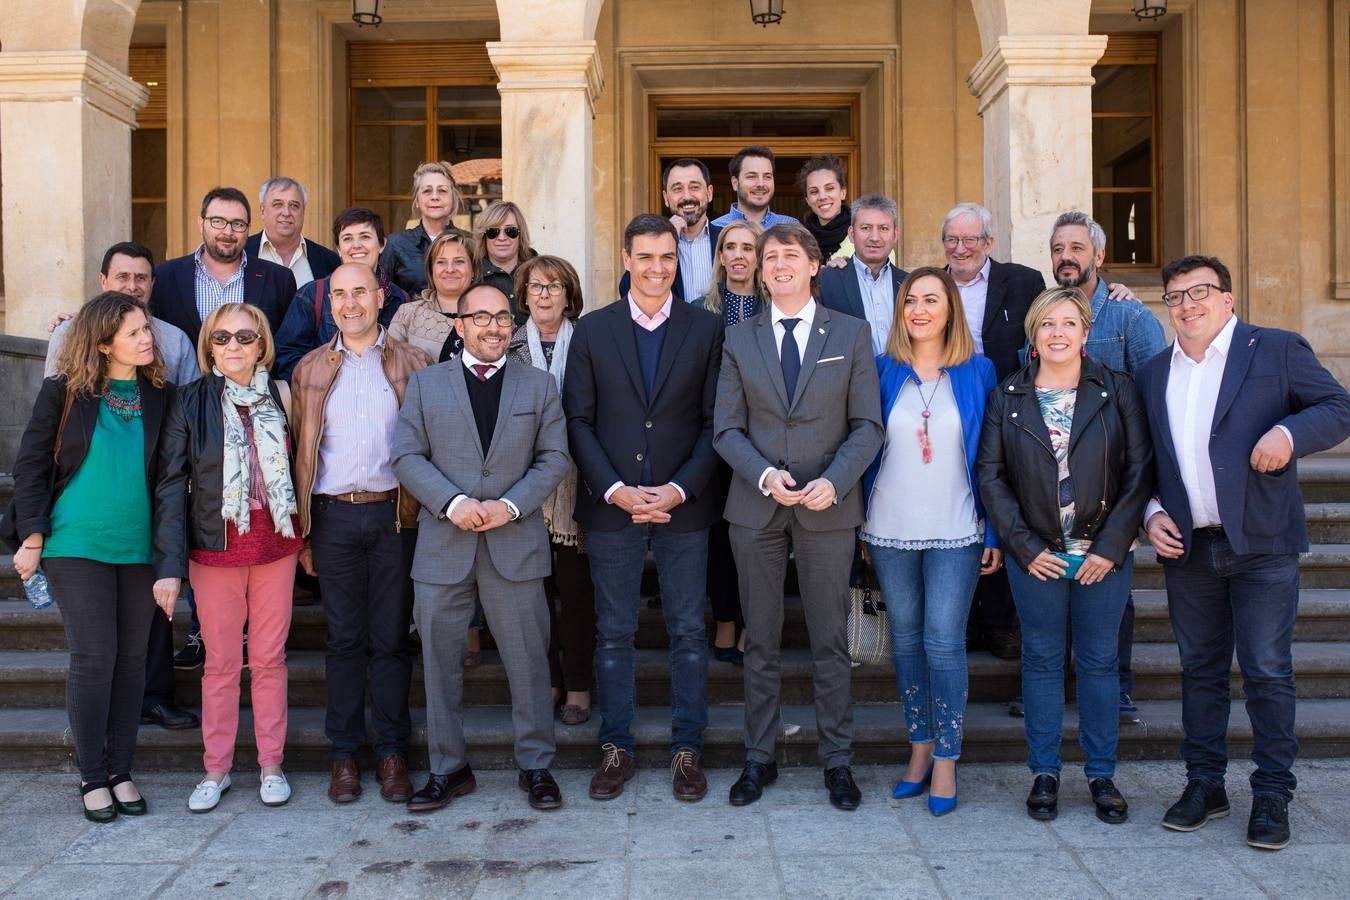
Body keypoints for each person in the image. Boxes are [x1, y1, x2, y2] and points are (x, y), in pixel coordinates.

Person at [1140, 255, 1350, 851]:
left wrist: (1288, 435)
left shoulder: (1275, 348)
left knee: (1265, 669)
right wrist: (1152, 514)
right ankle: (1205, 783)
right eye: (1175, 296)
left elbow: (1339, 407)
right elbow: (1148, 462)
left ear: (1227, 299)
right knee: (1200, 671)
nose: (1187, 305)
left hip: (1261, 543)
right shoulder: (1156, 373)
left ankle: (1272, 792)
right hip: (1189, 547)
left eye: (1199, 292)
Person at [713, 222, 883, 809]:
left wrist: (833, 482)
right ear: (759, 271)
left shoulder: (853, 334)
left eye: (790, 255)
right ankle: (758, 757)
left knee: (830, 641)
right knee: (759, 640)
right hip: (756, 506)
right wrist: (763, 474)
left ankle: (838, 760)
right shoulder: (739, 338)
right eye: (769, 257)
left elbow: (868, 427)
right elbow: (726, 429)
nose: (779, 264)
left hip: (827, 508)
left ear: (814, 266)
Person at [564, 214, 726, 803]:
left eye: (667, 257)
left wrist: (679, 488)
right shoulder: (592, 331)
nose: (658, 268)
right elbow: (577, 420)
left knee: (688, 630)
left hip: (684, 506)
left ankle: (688, 749)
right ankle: (617, 747)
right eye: (646, 257)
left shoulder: (706, 330)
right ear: (626, 260)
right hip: (613, 507)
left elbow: (715, 422)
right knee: (613, 633)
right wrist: (614, 489)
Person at [976, 286, 1153, 825]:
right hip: (1038, 557)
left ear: (1084, 332)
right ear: (1034, 333)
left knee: (1100, 665)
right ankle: (1045, 774)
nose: (1057, 333)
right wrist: (1024, 548)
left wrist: (1112, 545)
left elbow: (1139, 470)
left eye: (1068, 323)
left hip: (1102, 555)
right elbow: (991, 476)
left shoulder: (1116, 388)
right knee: (1044, 661)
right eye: (1046, 324)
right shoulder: (1008, 396)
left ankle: (1101, 774)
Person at [391, 283, 570, 813]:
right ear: (459, 325)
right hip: (444, 545)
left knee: (529, 663)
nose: (493, 326)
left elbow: (554, 458)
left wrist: (509, 506)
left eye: (502, 317)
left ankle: (536, 766)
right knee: (439, 666)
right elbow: (405, 455)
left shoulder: (538, 386)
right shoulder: (426, 385)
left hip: (514, 542)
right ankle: (448, 769)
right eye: (481, 317)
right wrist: (451, 502)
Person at [11, 292, 182, 823]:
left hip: (137, 549)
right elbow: (31, 465)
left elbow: (171, 479)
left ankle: (120, 770)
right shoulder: (64, 392)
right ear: (104, 343)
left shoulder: (163, 395)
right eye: (133, 332)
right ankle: (91, 775)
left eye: (146, 329)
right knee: (94, 657)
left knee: (133, 662)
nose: (146, 338)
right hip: (74, 543)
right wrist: (32, 534)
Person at [859, 267, 1001, 817]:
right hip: (889, 527)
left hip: (957, 528)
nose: (919, 309)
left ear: (951, 310)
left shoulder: (979, 371)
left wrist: (992, 527)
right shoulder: (881, 369)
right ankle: (918, 747)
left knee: (943, 642)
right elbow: (866, 446)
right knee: (908, 641)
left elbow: (994, 458)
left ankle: (947, 755)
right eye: (910, 300)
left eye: (931, 299)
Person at [291, 262, 431, 804]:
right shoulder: (308, 369)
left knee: (392, 641)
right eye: (340, 295)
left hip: (396, 516)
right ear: (329, 304)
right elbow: (299, 454)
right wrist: (303, 534)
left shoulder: (414, 363)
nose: (350, 304)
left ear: (380, 296)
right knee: (344, 641)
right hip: (332, 517)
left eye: (360, 293)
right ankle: (345, 755)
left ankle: (393, 753)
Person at [161, 303, 304, 813]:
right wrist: (170, 565)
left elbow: (303, 466)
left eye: (245, 337)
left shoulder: (283, 396)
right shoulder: (190, 400)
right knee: (221, 664)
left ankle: (271, 765)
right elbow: (172, 485)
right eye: (221, 339)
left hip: (276, 544)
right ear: (208, 346)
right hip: (213, 549)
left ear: (262, 343)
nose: (234, 347)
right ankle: (216, 770)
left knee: (268, 660)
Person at [1049, 210, 1167, 725]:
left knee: (1111, 583)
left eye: (1077, 248)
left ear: (1098, 255)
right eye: (1058, 249)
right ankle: (1056, 684)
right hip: (1053, 478)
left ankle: (1116, 686)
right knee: (1057, 580)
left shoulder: (1130, 317)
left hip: (1114, 478)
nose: (1066, 257)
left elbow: (1156, 397)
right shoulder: (1048, 311)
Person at [505, 255, 595, 725]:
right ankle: (548, 681)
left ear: (569, 295)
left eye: (554, 286)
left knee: (576, 593)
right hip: (521, 488)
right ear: (522, 295)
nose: (544, 294)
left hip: (581, 486)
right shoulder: (507, 344)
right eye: (535, 287)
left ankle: (578, 684)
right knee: (531, 597)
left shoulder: (592, 341)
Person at [697, 220, 765, 662]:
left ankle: (755, 624)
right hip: (713, 435)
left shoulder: (776, 306)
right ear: (719, 256)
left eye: (748, 247)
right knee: (718, 535)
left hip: (764, 438)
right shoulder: (698, 310)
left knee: (756, 538)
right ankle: (725, 619)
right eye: (730, 247)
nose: (739, 255)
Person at [273, 207, 413, 380]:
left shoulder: (401, 299)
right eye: (347, 238)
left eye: (365, 237)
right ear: (338, 249)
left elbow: (407, 359)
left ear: (382, 244)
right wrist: (327, 381)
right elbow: (286, 355)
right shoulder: (312, 295)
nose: (356, 245)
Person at [149, 186, 297, 341]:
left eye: (238, 224)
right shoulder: (164, 277)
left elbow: (288, 346)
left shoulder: (279, 279)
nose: (228, 232)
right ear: (201, 224)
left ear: (248, 229)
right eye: (218, 221)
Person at [46, 243, 199, 386]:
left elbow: (191, 403)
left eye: (141, 278)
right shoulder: (67, 331)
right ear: (103, 280)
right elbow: (52, 399)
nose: (132, 286)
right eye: (122, 277)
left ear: (152, 283)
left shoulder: (176, 340)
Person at [619, 158, 721, 303]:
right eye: (677, 189)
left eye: (694, 187)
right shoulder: (651, 244)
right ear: (666, 198)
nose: (686, 196)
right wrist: (668, 237)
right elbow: (626, 291)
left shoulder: (726, 240)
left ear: (709, 193)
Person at [817, 193, 908, 354]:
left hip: (902, 377)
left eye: (884, 228)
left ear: (895, 235)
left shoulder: (909, 283)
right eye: (865, 228)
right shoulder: (827, 281)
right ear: (852, 234)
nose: (874, 237)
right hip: (850, 378)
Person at [390, 228, 477, 361]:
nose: (450, 269)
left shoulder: (492, 314)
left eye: (459, 262)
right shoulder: (407, 314)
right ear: (431, 270)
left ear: (474, 270)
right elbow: (391, 365)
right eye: (441, 262)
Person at [245, 176, 341, 287]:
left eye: (294, 206)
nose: (286, 213)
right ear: (263, 211)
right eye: (278, 204)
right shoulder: (242, 253)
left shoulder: (329, 261)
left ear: (303, 212)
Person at [381, 161, 459, 298]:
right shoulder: (396, 244)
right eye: (427, 191)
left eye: (442, 191)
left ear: (453, 199)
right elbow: (383, 295)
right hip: (410, 319)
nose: (435, 197)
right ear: (417, 200)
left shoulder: (468, 243)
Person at [474, 200, 538, 325]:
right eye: (493, 231)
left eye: (511, 231)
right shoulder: (471, 275)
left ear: (521, 235)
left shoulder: (541, 271)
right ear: (484, 236)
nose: (502, 238)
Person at [710, 145, 799, 229]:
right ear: (735, 183)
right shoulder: (715, 229)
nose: (760, 184)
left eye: (767, 177)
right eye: (751, 176)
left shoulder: (791, 227)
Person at [798, 154, 852, 262]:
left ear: (842, 193)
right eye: (814, 191)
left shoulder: (863, 234)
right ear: (807, 200)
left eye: (829, 188)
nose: (822, 197)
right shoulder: (800, 240)